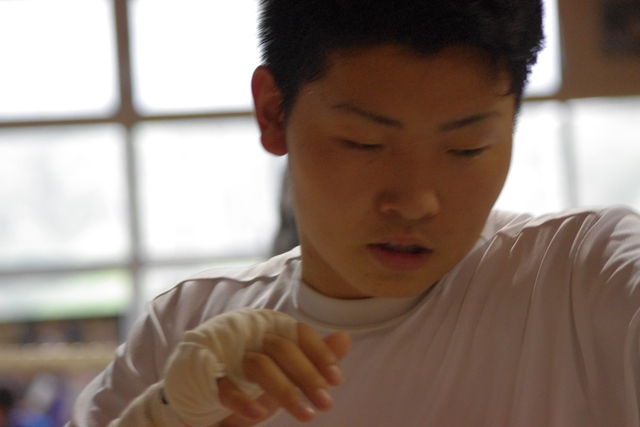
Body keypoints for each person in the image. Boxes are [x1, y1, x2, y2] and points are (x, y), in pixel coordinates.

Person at [69, 0, 640, 426]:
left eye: (467, 148)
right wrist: (164, 418)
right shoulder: (184, 331)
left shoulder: (581, 279)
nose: (416, 202)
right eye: (363, 142)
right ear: (273, 112)